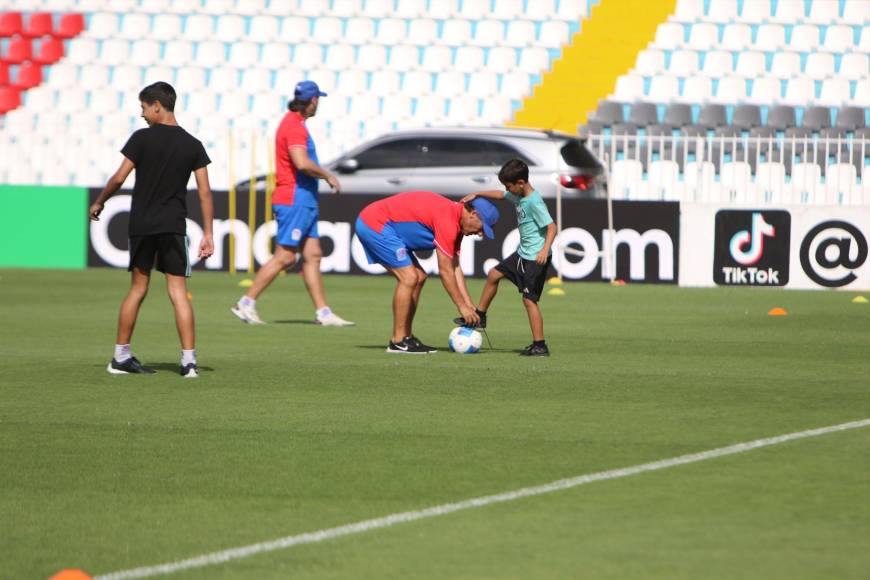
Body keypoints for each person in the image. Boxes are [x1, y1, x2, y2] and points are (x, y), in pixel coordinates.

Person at [88, 81, 215, 377]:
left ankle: (121, 357)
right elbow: (205, 192)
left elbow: (119, 178)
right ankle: (189, 362)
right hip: (172, 225)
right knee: (179, 292)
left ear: (157, 105)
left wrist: (100, 202)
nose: (142, 114)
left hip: (142, 224)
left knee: (138, 289)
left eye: (144, 108)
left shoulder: (141, 139)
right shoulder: (193, 144)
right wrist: (208, 233)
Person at [231, 80, 353, 327]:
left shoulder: (294, 123)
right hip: (294, 199)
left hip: (304, 199)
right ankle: (246, 303)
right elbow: (302, 163)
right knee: (286, 257)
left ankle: (324, 313)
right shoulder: (294, 127)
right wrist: (327, 175)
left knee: (313, 254)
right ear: (313, 101)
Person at [355, 190, 499, 354]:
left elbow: (455, 266)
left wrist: (468, 304)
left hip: (384, 226)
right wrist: (461, 307)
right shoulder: (448, 219)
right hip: (375, 223)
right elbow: (445, 270)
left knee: (419, 277)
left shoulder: (457, 222)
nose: (480, 234)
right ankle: (397, 341)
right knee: (409, 278)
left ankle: (406, 337)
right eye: (482, 228)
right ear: (473, 214)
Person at [457, 158, 556, 357]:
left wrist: (545, 250)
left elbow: (552, 227)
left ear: (520, 183)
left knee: (529, 301)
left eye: (509, 186)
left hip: (535, 259)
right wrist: (478, 193)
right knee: (494, 274)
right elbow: (500, 195)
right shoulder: (518, 195)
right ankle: (481, 315)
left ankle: (540, 345)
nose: (507, 190)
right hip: (522, 254)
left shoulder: (534, 202)